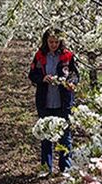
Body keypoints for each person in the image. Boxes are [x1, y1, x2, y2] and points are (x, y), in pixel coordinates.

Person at [28, 27, 79, 176]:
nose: (53, 44)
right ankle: (46, 168)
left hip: (63, 101)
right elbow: (32, 74)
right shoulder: (39, 56)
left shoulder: (67, 56)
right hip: (45, 100)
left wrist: (70, 82)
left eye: (56, 42)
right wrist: (42, 79)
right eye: (51, 42)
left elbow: (75, 74)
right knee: (45, 134)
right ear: (46, 41)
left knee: (64, 135)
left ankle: (66, 168)